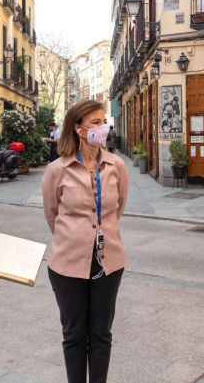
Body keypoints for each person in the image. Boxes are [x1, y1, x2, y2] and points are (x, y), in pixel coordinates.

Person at [42, 99, 129, 383]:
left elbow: (118, 209)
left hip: (108, 262)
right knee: (74, 334)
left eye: (104, 121)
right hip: (67, 265)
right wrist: (75, 237)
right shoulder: (57, 169)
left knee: (101, 334)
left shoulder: (116, 166)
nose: (102, 128)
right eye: (95, 123)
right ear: (78, 129)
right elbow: (52, 214)